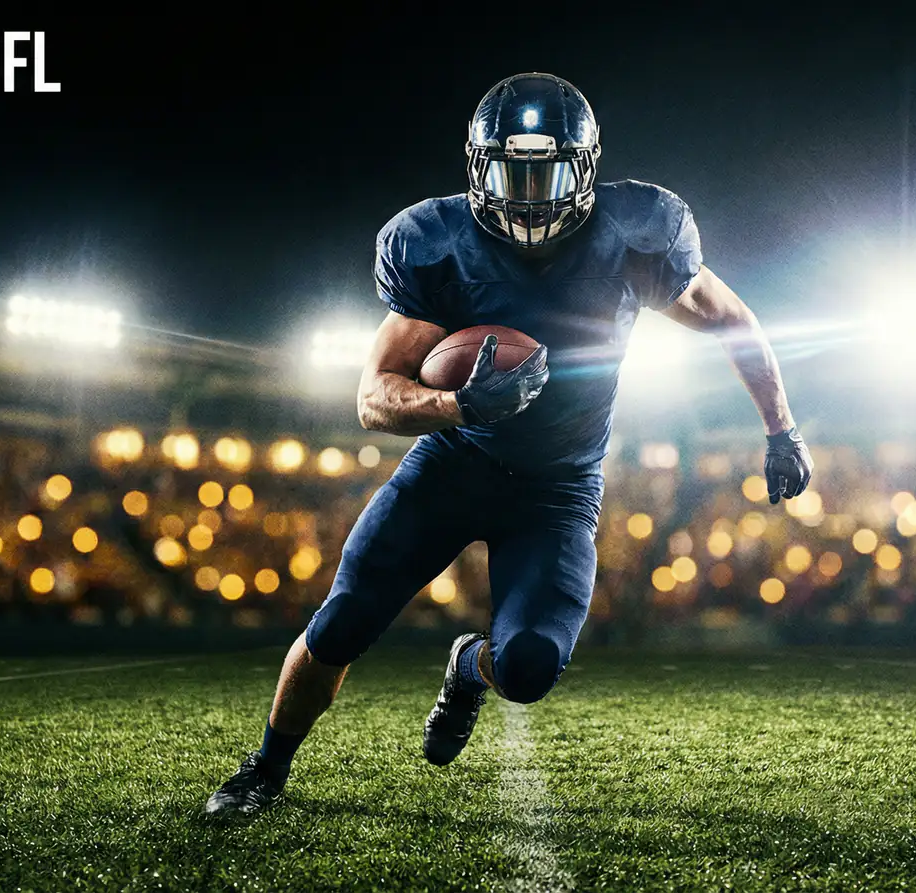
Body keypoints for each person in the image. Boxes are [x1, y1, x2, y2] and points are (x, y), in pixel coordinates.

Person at [207, 72, 812, 816]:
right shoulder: (440, 246)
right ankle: (264, 770)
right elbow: (372, 397)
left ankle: (469, 667)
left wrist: (782, 426)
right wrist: (455, 404)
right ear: (478, 167)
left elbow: (730, 319)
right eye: (511, 170)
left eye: (546, 169)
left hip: (557, 490)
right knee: (341, 621)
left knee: (527, 666)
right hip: (454, 465)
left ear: (584, 169)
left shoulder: (634, 237)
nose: (528, 192)